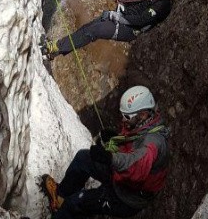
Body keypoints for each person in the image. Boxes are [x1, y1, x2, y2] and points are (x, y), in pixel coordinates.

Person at [40, 86, 170, 218]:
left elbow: (135, 166)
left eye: (126, 116)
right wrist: (115, 139)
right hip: (120, 178)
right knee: (83, 158)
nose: (123, 119)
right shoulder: (142, 124)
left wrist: (110, 158)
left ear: (142, 114)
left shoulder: (152, 143)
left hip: (127, 197)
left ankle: (64, 211)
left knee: (75, 202)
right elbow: (132, 146)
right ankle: (60, 197)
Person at [42, 0, 178, 59]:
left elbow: (142, 19)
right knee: (89, 26)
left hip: (131, 29)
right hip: (124, 17)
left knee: (95, 31)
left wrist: (120, 18)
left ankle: (54, 48)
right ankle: (56, 49)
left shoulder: (163, 3)